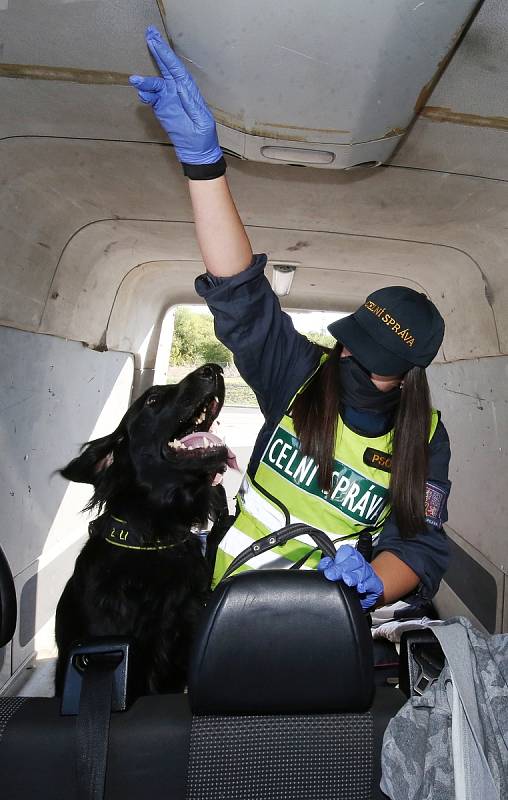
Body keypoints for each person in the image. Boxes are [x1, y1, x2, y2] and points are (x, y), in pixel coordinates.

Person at [129, 27, 451, 612]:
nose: (350, 359)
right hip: (230, 603)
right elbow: (242, 298)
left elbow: (421, 545)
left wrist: (376, 582)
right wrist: (204, 166)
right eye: (352, 344)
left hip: (329, 624)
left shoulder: (424, 436)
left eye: (374, 360)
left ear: (406, 375)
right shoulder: (301, 374)